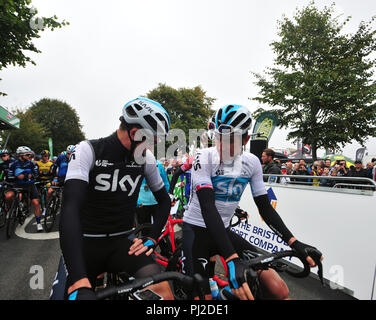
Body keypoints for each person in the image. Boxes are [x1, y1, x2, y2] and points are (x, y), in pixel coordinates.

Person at [182, 104, 323, 300]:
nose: (222, 146)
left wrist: (294, 242)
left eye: (231, 141)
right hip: (196, 230)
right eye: (219, 138)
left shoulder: (252, 162)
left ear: (246, 139)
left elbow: (265, 207)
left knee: (279, 289)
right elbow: (207, 206)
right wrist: (232, 259)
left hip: (222, 231)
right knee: (202, 298)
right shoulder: (203, 156)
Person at [59, 97, 173, 300]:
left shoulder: (145, 158)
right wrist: (77, 277)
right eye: (151, 141)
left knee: (164, 293)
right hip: (84, 244)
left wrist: (152, 238)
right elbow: (70, 208)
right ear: (135, 133)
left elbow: (164, 201)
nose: (152, 148)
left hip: (123, 242)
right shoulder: (88, 149)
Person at [10, 146, 42, 231]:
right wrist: (15, 177)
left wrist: (33, 176)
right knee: (12, 197)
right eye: (27, 154)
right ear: (21, 155)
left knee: (36, 203)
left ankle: (39, 223)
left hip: (30, 185)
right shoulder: (14, 164)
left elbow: (36, 173)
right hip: (18, 185)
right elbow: (9, 175)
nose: (29, 156)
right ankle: (15, 210)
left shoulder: (31, 163)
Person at [136, 158, 170, 235]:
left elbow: (165, 182)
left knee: (161, 229)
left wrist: (166, 196)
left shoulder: (159, 164)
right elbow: (133, 184)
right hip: (142, 204)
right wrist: (137, 201)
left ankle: (163, 246)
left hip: (157, 202)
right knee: (145, 230)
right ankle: (147, 246)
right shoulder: (136, 164)